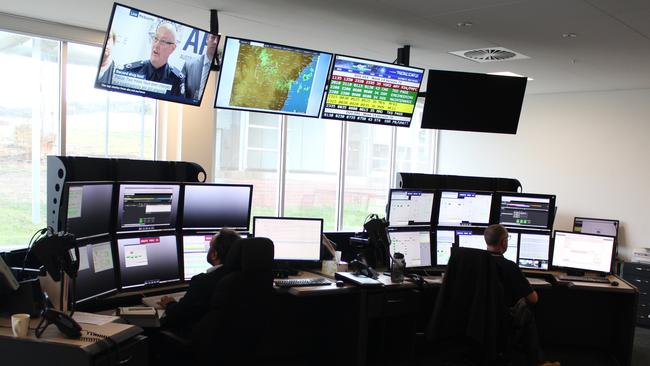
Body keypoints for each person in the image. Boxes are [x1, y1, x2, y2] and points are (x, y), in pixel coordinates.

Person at [484, 224, 559, 366]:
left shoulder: (476, 262)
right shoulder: (509, 266)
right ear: (503, 242)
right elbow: (533, 298)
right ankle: (538, 361)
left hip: (478, 316)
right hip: (501, 318)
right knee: (526, 308)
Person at [158, 229, 241, 334]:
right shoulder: (248, 277)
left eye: (210, 247)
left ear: (214, 254)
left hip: (204, 341)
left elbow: (177, 315)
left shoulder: (203, 281)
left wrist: (170, 303)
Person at [122, 22, 185, 96]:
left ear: (172, 48)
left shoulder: (177, 79)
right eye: (155, 38)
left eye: (163, 41)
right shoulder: (131, 70)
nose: (156, 45)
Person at [183, 33, 219, 100]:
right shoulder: (189, 64)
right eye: (213, 37)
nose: (215, 42)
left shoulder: (221, 70)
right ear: (207, 39)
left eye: (218, 39)